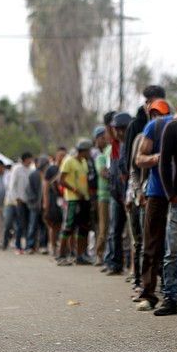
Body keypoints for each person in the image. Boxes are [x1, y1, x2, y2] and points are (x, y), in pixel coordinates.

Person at [134, 99, 173, 311]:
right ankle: (148, 293)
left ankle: (173, 293)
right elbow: (139, 159)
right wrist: (158, 158)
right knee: (151, 243)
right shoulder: (153, 127)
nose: (157, 116)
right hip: (157, 192)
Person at [155, 104, 177, 316]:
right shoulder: (174, 128)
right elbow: (163, 162)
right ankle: (170, 296)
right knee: (174, 251)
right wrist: (170, 194)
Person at [56, 138, 94, 266]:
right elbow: (60, 180)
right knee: (68, 227)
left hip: (84, 200)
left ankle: (80, 256)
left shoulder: (84, 162)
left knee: (83, 228)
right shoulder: (69, 161)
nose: (90, 153)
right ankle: (61, 255)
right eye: (88, 150)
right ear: (83, 151)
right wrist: (75, 190)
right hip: (73, 199)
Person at [103, 112, 131, 276]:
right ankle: (114, 263)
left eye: (122, 128)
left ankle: (128, 266)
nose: (118, 131)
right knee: (115, 230)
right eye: (115, 128)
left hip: (127, 192)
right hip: (115, 193)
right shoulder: (113, 145)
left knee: (129, 233)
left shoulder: (128, 142)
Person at [93, 125, 111, 265]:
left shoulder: (110, 150)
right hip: (104, 196)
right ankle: (99, 254)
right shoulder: (100, 156)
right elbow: (103, 173)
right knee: (103, 226)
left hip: (114, 195)